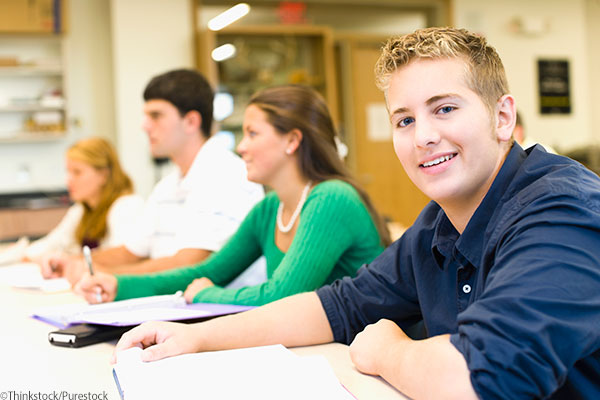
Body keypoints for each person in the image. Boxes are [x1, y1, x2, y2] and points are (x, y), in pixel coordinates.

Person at [112, 28, 600, 399]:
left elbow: (484, 378)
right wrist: (196, 339)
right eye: (404, 120)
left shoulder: (562, 209)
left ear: (503, 117)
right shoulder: (438, 222)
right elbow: (338, 306)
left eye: (445, 108)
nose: (423, 136)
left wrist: (388, 351)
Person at [76, 85, 390, 306]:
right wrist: (119, 285)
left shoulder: (331, 198)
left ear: (292, 141)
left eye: (253, 134)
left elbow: (282, 297)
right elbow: (207, 272)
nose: (241, 147)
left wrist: (206, 294)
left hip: (365, 357)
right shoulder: (269, 209)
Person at [42, 69, 264, 282]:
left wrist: (103, 274)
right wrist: (75, 262)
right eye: (145, 116)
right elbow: (131, 252)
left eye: (156, 115)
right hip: (177, 306)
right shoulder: (167, 186)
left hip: (219, 313)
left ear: (191, 122)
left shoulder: (226, 175)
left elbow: (189, 265)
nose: (145, 126)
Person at [0, 137, 143, 271]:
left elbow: (123, 257)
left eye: (77, 172)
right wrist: (23, 253)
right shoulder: (81, 210)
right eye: (68, 171)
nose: (68, 180)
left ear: (103, 175)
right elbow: (51, 243)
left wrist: (68, 260)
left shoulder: (127, 206)